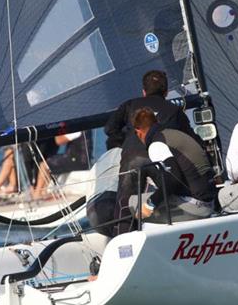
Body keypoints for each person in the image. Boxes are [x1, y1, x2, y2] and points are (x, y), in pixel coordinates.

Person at [104, 70, 201, 232]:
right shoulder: (174, 110)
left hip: (132, 157)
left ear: (143, 91)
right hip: (159, 156)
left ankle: (123, 238)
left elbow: (109, 129)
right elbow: (191, 140)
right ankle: (173, 227)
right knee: (171, 188)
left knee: (125, 201)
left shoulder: (129, 105)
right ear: (166, 92)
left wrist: (127, 140)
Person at [129, 107, 215, 222]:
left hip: (196, 206)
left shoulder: (156, 145)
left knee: (132, 202)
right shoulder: (173, 134)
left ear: (138, 131)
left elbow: (172, 181)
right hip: (211, 201)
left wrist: (150, 204)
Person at [32, 132, 92, 197]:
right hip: (82, 160)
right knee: (51, 161)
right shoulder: (84, 129)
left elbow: (59, 141)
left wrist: (59, 130)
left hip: (77, 161)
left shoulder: (76, 130)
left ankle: (37, 194)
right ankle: (44, 192)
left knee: (44, 165)